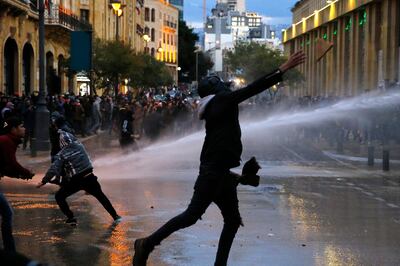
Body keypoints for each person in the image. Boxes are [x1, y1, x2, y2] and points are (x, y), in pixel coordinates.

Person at [132, 51, 306, 266]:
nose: (227, 87)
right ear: (216, 88)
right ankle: (146, 244)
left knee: (231, 221)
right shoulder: (222, 100)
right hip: (214, 171)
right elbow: (250, 90)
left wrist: (237, 177)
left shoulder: (216, 104)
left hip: (220, 172)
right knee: (191, 216)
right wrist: (282, 69)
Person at [36, 129, 121, 225]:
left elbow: (54, 169)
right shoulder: (80, 146)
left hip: (76, 180)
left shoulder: (62, 154)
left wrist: (44, 181)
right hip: (90, 177)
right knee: (101, 197)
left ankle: (71, 218)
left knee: (59, 196)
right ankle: (115, 216)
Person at [0, 117, 35, 252]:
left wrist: (21, 175)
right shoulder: (6, 141)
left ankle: (10, 250)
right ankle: (10, 251)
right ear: (13, 129)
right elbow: (12, 163)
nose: (24, 128)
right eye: (21, 126)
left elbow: (5, 168)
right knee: (7, 213)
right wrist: (26, 172)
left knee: (6, 213)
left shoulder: (7, 140)